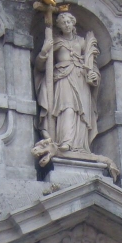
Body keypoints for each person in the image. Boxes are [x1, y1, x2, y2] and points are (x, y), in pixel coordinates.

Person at [35, 11, 100, 154]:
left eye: (69, 22)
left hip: (80, 79)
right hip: (63, 78)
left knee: (82, 113)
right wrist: (44, 51)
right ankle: (65, 142)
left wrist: (93, 75)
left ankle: (80, 146)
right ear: (59, 26)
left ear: (73, 22)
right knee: (67, 108)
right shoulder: (55, 42)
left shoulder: (82, 42)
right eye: (63, 23)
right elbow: (40, 66)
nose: (67, 25)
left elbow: (91, 63)